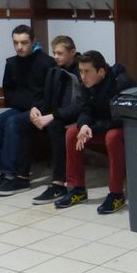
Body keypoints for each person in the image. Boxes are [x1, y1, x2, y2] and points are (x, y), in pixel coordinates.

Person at [54, 50, 135, 213]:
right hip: (99, 126)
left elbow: (118, 119)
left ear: (101, 71)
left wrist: (90, 127)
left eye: (87, 71)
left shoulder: (121, 83)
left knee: (112, 137)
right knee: (72, 133)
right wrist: (84, 125)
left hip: (123, 128)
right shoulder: (86, 83)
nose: (83, 76)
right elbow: (85, 109)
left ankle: (116, 193)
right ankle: (77, 189)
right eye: (80, 71)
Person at [0, 25, 53, 197]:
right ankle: (4, 171)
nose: (19, 47)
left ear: (33, 42)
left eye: (24, 42)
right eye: (16, 43)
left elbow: (49, 95)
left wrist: (34, 107)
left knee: (13, 122)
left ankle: (13, 176)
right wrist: (28, 104)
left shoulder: (46, 62)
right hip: (21, 108)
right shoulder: (11, 63)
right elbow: (8, 93)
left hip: (42, 111)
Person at [29, 35, 84, 205]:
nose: (56, 57)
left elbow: (80, 106)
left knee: (54, 126)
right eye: (54, 53)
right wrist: (36, 109)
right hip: (59, 113)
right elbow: (47, 97)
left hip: (80, 116)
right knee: (22, 122)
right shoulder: (55, 69)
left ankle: (58, 183)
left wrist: (51, 116)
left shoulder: (81, 71)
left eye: (60, 53)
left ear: (72, 52)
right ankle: (17, 176)